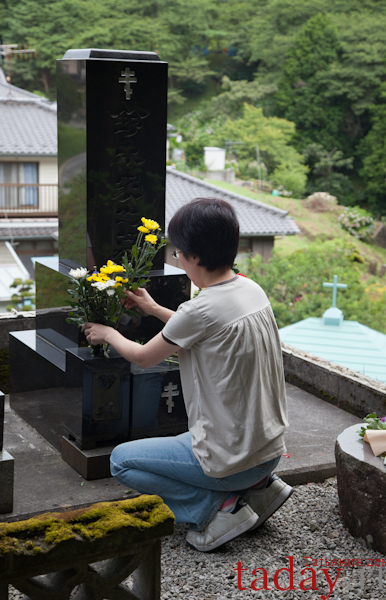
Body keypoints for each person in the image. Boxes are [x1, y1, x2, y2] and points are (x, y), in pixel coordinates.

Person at [83, 197, 292, 552]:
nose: (177, 260)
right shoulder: (250, 289)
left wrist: (109, 333)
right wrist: (152, 308)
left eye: (177, 254)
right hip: (269, 451)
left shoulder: (201, 309)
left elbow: (144, 357)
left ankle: (217, 509)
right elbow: (201, 327)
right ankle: (259, 489)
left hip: (231, 459)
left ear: (195, 256)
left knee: (121, 462)